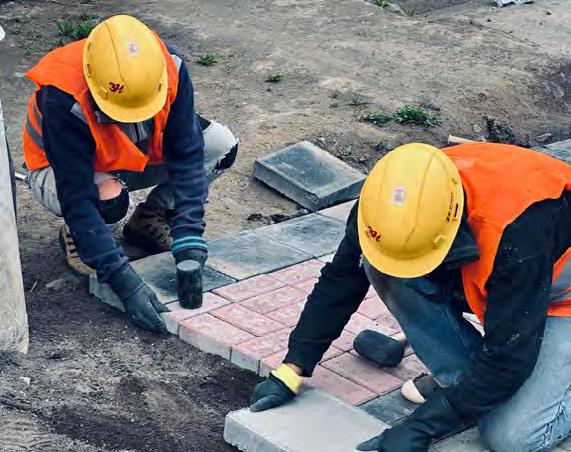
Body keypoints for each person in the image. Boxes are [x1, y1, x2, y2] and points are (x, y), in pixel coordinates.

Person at [250, 142, 571, 452]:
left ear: (451, 229)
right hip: (514, 282)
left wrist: (423, 426)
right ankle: (466, 387)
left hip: (560, 295)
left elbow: (510, 357)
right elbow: (341, 280)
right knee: (378, 263)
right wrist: (294, 366)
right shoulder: (385, 205)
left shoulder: (518, 235)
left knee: (512, 437)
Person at [22, 15, 238, 333]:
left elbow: (187, 154)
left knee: (220, 146)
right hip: (62, 172)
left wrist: (189, 232)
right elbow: (76, 196)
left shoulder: (169, 66)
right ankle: (80, 236)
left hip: (132, 157)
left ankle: (149, 219)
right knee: (109, 201)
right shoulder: (62, 96)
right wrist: (123, 282)